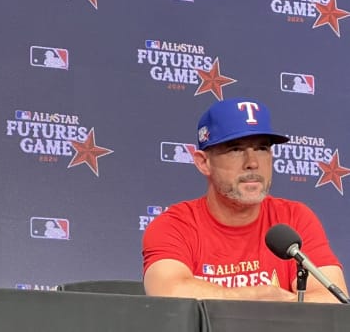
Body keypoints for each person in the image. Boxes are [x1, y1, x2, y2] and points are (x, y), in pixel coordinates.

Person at [142, 98, 346, 303]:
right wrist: (256, 299)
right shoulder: (175, 225)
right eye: (236, 149)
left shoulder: (294, 218)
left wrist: (277, 307)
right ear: (204, 163)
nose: (253, 163)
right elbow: (168, 290)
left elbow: (331, 299)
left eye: (262, 148)